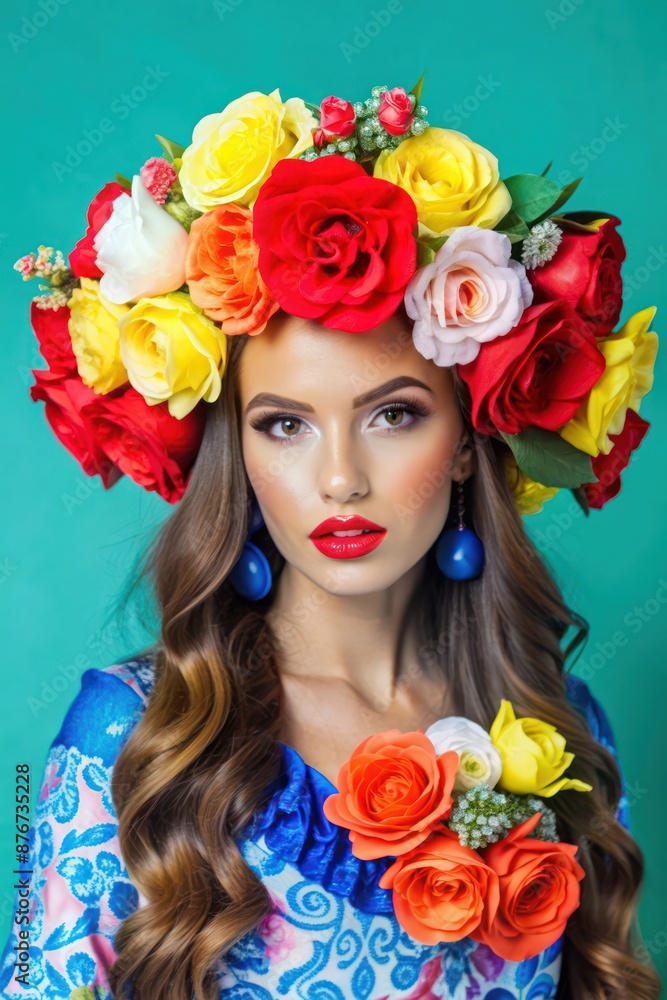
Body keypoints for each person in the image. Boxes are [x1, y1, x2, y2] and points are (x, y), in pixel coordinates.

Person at [1, 82, 661, 1000]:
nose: (340, 477)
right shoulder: (137, 735)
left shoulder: (561, 725)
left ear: (469, 443)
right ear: (239, 455)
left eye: (392, 414)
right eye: (285, 424)